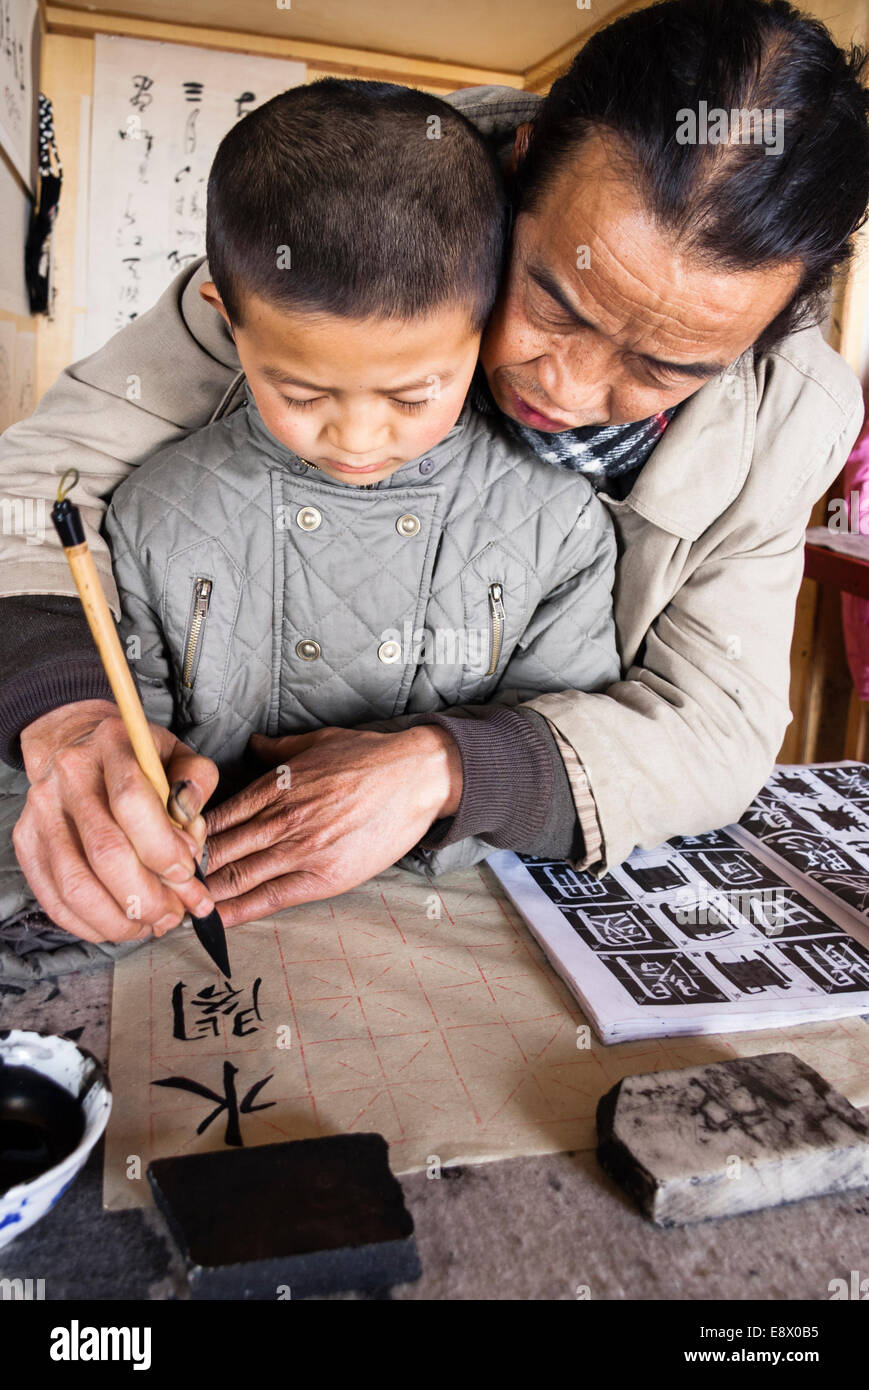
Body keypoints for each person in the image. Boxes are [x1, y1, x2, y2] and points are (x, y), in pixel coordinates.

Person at [1, 0, 868, 956]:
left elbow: (715, 720)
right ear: (522, 166)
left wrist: (451, 770)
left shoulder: (786, 411)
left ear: (761, 337)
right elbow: (36, 488)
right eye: (555, 301)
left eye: (663, 368)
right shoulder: (363, 228)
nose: (566, 390)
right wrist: (71, 710)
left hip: (466, 877)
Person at [97, 80, 618, 931]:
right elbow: (130, 718)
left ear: (486, 321)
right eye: (299, 391)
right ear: (226, 319)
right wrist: (143, 804)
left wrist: (444, 794)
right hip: (203, 907)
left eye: (413, 396)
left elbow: (568, 746)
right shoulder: (159, 509)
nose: (356, 436)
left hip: (454, 918)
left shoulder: (553, 524)